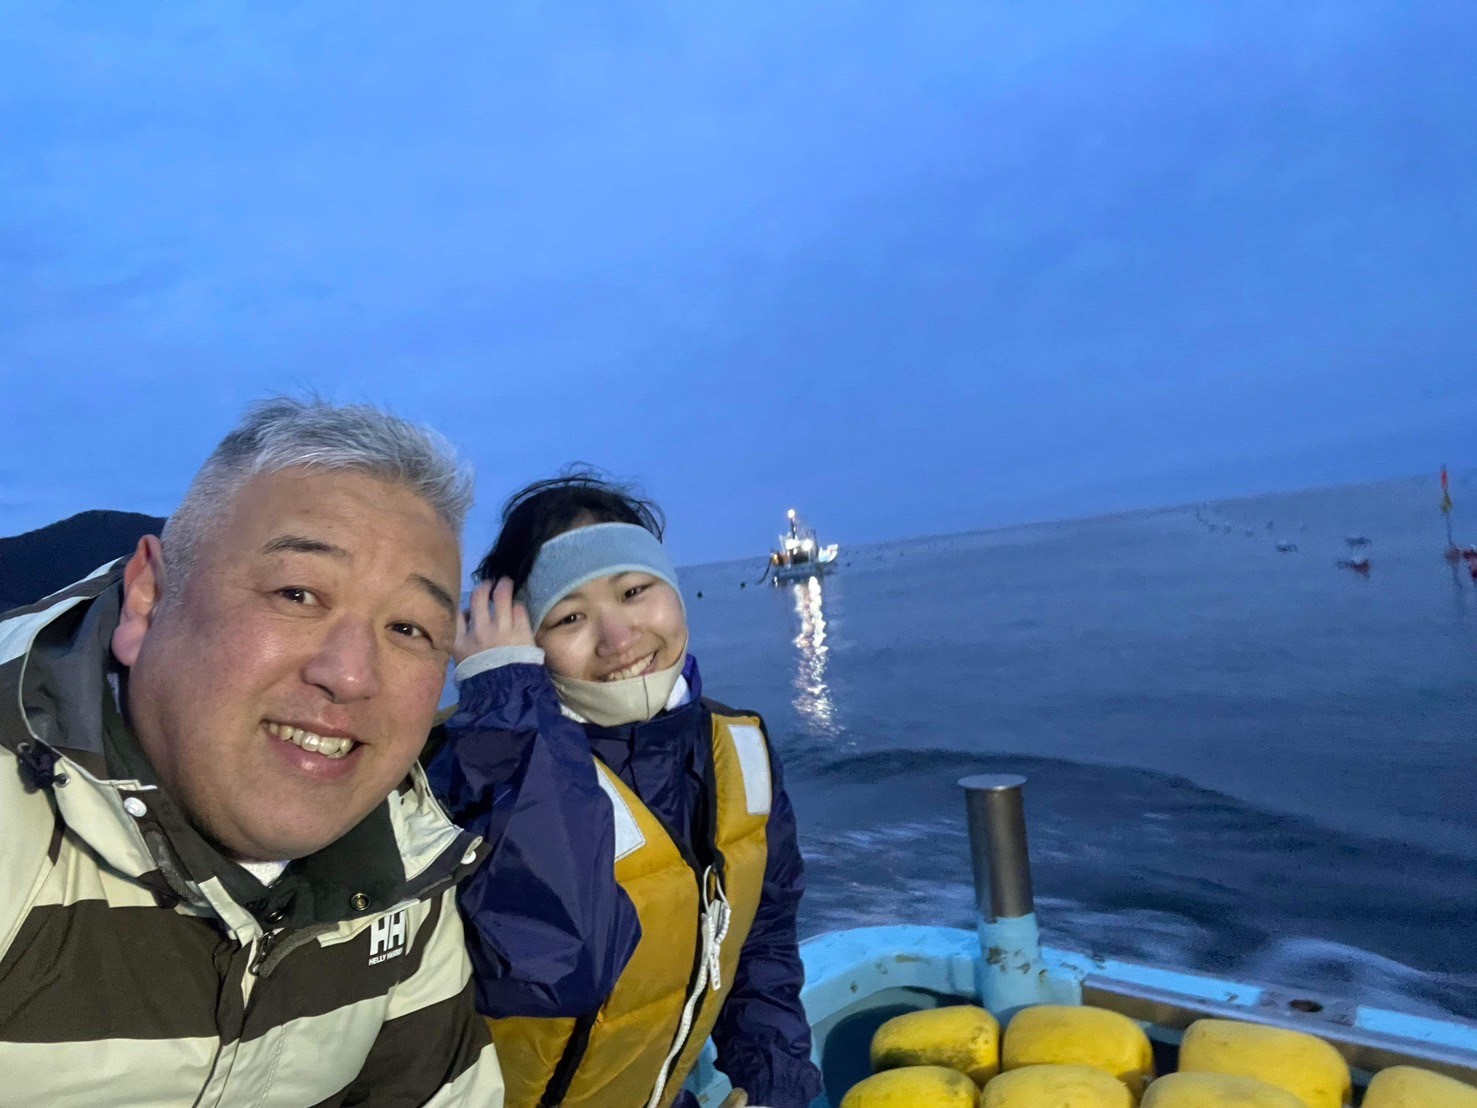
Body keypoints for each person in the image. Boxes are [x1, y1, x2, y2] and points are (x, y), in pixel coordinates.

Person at [0, 398, 505, 1105]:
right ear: (150, 599)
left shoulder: (404, 859)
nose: (351, 675)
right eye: (297, 593)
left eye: (409, 629)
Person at [428, 472, 823, 1108]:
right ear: (524, 640)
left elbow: (760, 942)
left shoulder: (738, 748)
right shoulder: (474, 766)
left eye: (635, 591)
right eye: (570, 617)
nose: (619, 638)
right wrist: (507, 708)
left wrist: (777, 1087)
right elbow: (555, 966)